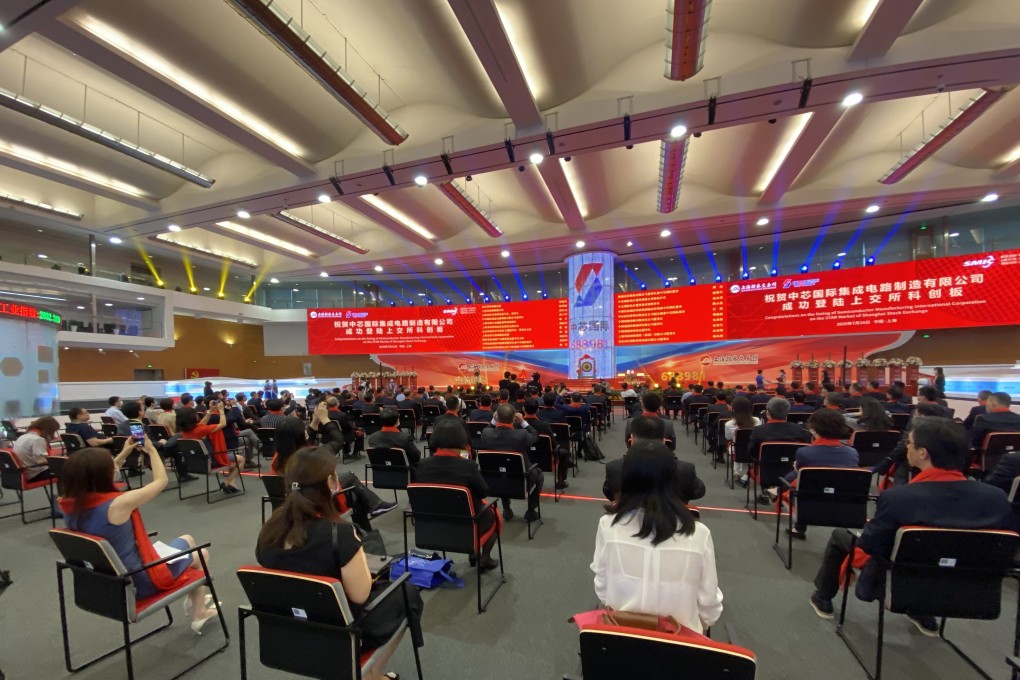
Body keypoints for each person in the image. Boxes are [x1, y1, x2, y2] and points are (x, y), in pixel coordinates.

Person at [807, 417, 1015, 633]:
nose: (906, 447)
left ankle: (823, 596)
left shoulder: (899, 498)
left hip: (900, 584)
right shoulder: (996, 498)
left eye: (910, 443)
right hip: (971, 590)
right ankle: (923, 612)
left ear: (923, 453)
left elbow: (872, 545)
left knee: (841, 535)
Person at [255, 446, 423, 679]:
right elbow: (360, 595)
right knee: (408, 592)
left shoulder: (268, 532)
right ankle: (372, 673)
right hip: (340, 630)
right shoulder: (338, 534)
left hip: (289, 631)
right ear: (329, 482)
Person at [60, 442, 222, 633]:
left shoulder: (69, 504)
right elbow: (160, 481)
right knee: (200, 554)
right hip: (138, 581)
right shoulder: (117, 504)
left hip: (106, 582)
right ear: (103, 475)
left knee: (187, 539)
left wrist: (125, 451)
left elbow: (100, 473)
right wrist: (152, 450)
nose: (115, 466)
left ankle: (197, 599)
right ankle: (199, 612)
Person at [592, 441, 723, 634]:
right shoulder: (699, 534)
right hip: (680, 646)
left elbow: (602, 588)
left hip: (620, 643)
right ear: (673, 478)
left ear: (626, 478)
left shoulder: (608, 525)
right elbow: (709, 607)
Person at [275, 414, 396, 533]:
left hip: (293, 499)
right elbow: (338, 440)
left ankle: (369, 520)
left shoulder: (279, 460)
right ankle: (371, 517)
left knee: (354, 494)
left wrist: (314, 423)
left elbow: (303, 444)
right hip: (318, 497)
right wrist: (325, 419)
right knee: (350, 478)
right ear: (302, 434)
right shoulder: (313, 455)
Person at [415, 419, 503, 570]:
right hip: (466, 521)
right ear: (461, 439)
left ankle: (474, 552)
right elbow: (483, 491)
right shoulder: (467, 466)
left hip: (432, 524)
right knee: (494, 514)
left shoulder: (422, 465)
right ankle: (485, 557)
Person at [785, 410, 861, 539]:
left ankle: (799, 527)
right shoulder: (852, 453)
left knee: (799, 478)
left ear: (814, 430)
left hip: (810, 503)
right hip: (844, 504)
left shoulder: (804, 452)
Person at [604, 416, 705, 504]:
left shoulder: (614, 468)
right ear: (664, 440)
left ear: (631, 439)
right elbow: (698, 491)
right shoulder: (685, 470)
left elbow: (609, 493)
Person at [479, 404, 543, 521]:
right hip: (522, 479)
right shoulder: (521, 435)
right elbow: (535, 436)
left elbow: (487, 429)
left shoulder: (487, 433)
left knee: (502, 469)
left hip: (495, 480)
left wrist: (494, 419)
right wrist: (523, 422)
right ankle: (531, 511)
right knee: (539, 474)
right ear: (514, 418)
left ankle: (506, 508)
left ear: (497, 417)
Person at [740, 398, 812, 486]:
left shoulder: (759, 430)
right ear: (787, 413)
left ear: (768, 413)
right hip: (792, 472)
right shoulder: (800, 430)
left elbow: (752, 452)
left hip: (766, 472)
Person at [176, 405, 243, 494]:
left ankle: (231, 485)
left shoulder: (184, 431)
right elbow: (222, 424)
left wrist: (210, 411)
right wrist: (221, 411)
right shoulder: (199, 431)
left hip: (194, 463)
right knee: (241, 460)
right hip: (210, 461)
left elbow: (201, 424)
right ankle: (227, 482)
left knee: (233, 458)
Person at [12, 416, 60, 481]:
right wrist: (58, 459)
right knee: (69, 470)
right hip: (35, 473)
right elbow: (41, 461)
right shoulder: (38, 440)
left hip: (23, 472)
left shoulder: (23, 436)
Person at [724, 396, 761, 462]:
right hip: (755, 450)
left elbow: (728, 437)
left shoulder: (729, 424)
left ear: (734, 408)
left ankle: (737, 471)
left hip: (737, 449)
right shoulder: (757, 420)